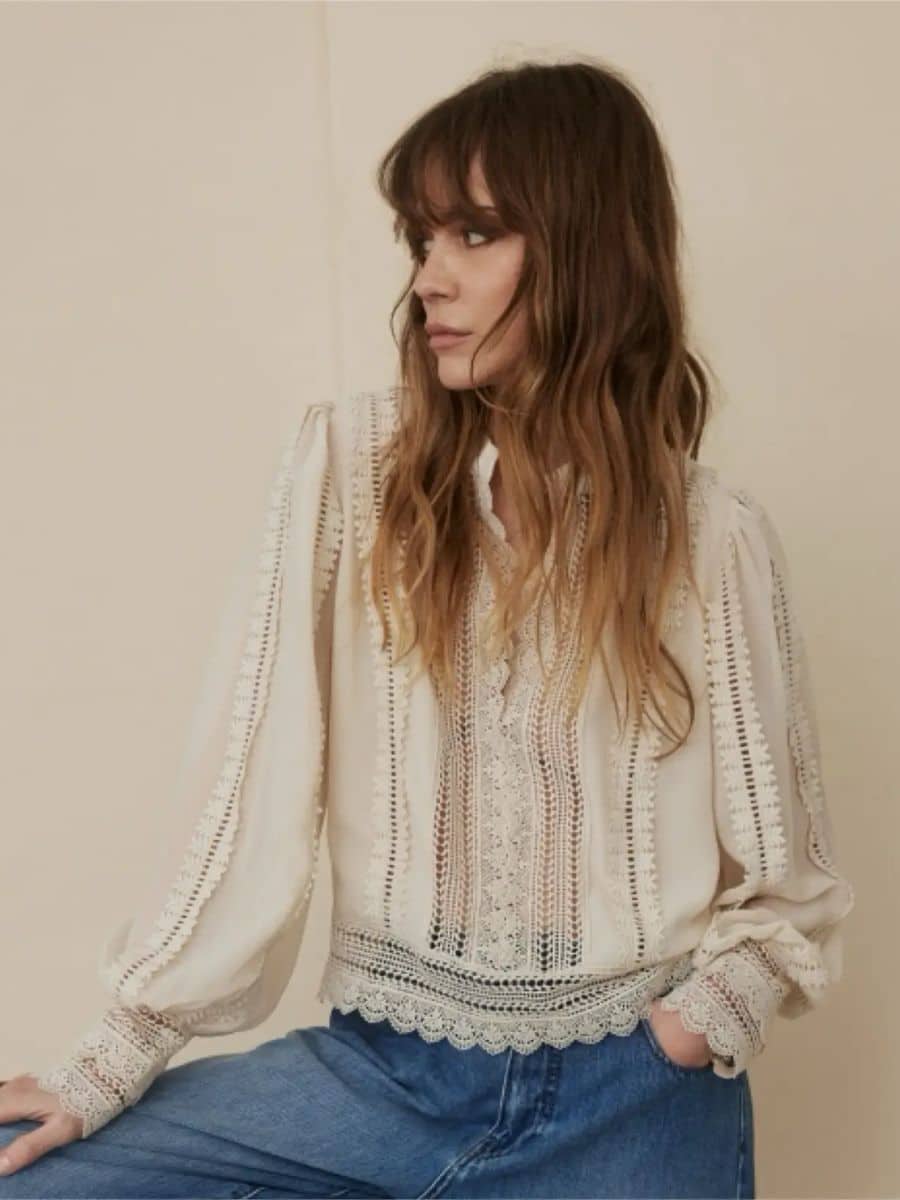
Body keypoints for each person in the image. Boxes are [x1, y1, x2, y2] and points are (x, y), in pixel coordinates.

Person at [0, 56, 854, 1199]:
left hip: (635, 1094)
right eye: (420, 238)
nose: (427, 281)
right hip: (381, 1080)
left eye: (475, 235)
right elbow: (247, 778)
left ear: (591, 251)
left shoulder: (713, 537)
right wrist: (112, 1057)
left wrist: (687, 1032)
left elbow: (789, 887)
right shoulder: (351, 470)